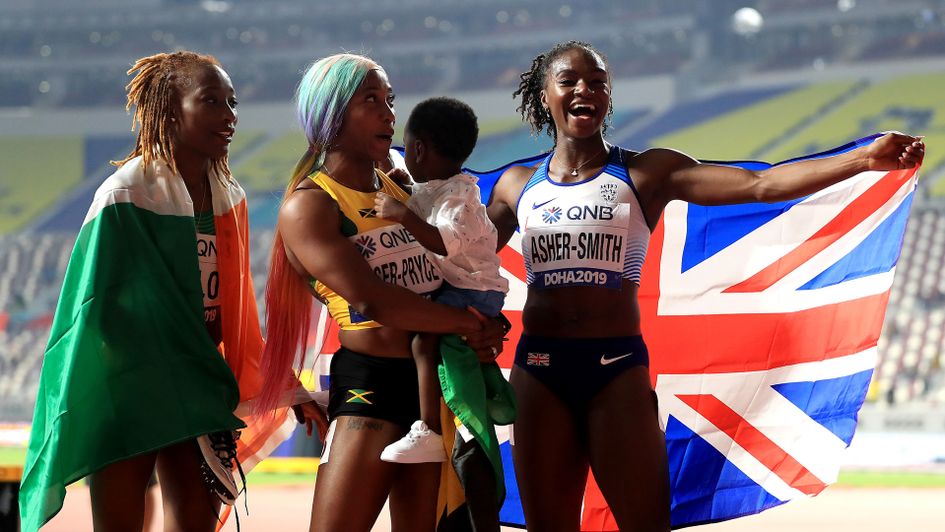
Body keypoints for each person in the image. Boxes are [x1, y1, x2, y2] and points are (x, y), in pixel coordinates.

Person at [486, 40, 925, 532]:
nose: (584, 90)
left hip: (615, 374)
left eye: (598, 83)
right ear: (545, 95)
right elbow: (465, 266)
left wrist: (864, 159)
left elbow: (761, 186)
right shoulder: (515, 185)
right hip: (539, 372)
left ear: (609, 98)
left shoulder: (647, 172)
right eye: (569, 81)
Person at [18, 51, 319, 532]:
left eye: (232, 103)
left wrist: (281, 382)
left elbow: (236, 310)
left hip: (197, 382)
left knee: (194, 522)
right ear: (170, 109)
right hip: (128, 386)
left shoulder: (230, 196)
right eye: (211, 101)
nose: (229, 115)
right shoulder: (125, 194)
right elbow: (92, 307)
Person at [256, 54, 506, 532]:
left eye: (389, 100)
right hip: (372, 386)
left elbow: (459, 259)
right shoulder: (311, 205)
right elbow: (373, 300)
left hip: (434, 381)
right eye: (371, 100)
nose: (390, 113)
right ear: (331, 114)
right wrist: (470, 325)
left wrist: (484, 324)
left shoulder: (402, 185)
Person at [372, 97, 510, 463]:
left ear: (417, 148)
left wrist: (401, 212)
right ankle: (491, 389)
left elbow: (440, 240)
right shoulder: (437, 186)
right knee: (446, 342)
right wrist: (406, 189)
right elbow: (425, 203)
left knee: (423, 340)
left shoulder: (461, 197)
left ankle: (429, 428)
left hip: (474, 289)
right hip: (463, 285)